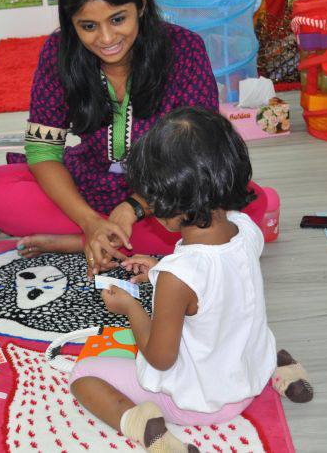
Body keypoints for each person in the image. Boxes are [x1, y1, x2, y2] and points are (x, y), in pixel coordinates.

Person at [0, 0, 270, 275]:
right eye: (88, 26)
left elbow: (198, 155)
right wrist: (89, 220)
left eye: (117, 19)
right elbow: (43, 150)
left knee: (245, 208)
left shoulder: (184, 49)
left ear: (141, 5)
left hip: (166, 193)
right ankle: (99, 234)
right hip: (90, 181)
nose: (107, 38)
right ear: (71, 24)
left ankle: (86, 239)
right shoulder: (58, 53)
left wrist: (135, 207)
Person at [69, 107, 276, 452]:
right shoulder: (247, 229)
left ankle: (147, 429)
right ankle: (283, 369)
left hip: (197, 402)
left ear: (169, 204)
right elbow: (221, 284)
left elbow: (160, 358)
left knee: (83, 375)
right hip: (247, 380)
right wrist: (159, 268)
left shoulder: (177, 277)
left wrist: (131, 307)